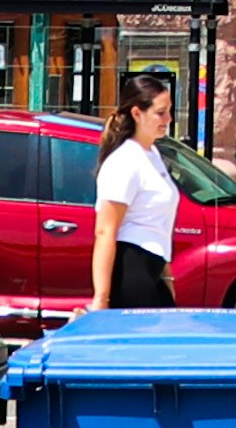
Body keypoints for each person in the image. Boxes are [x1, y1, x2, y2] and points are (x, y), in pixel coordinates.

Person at [79, 75, 184, 311]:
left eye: (169, 111)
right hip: (131, 269)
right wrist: (101, 298)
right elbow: (105, 231)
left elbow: (158, 225)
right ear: (137, 113)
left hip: (153, 268)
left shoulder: (153, 154)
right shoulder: (125, 161)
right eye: (161, 112)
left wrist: (166, 277)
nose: (168, 119)